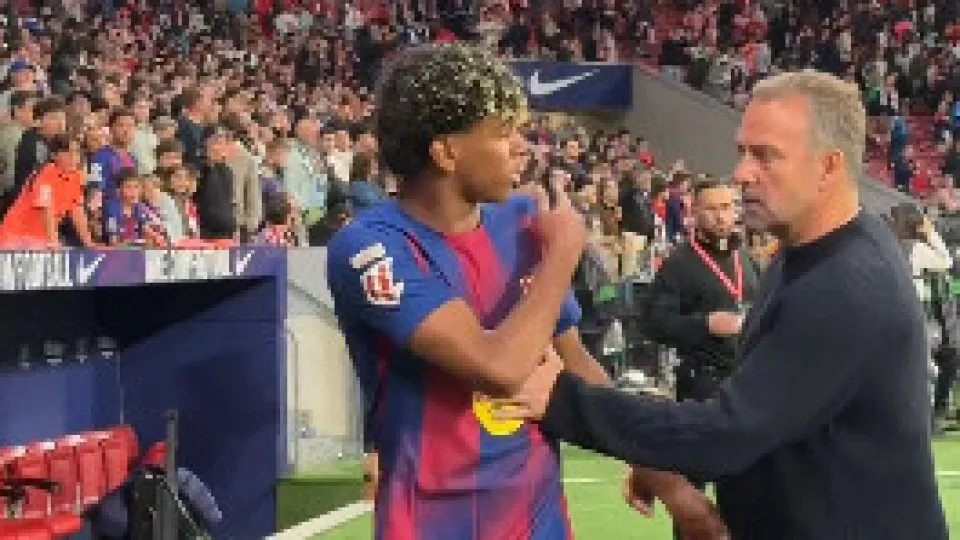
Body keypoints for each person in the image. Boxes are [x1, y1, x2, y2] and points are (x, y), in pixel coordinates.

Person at [496, 70, 949, 539]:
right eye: (742, 152)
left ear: (829, 167)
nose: (741, 174)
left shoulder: (844, 285)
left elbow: (729, 432)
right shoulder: (815, 249)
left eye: (766, 156)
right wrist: (665, 459)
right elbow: (773, 408)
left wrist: (561, 399)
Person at [326, 44, 721, 540]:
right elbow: (498, 368)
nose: (523, 147)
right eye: (502, 132)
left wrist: (672, 487)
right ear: (446, 152)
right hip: (432, 524)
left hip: (537, 521)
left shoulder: (520, 224)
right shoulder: (372, 249)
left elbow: (574, 362)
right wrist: (563, 253)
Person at [645, 177, 759, 539]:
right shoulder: (679, 264)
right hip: (701, 385)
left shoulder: (744, 258)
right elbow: (653, 322)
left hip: (746, 386)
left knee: (749, 488)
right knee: (692, 490)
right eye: (712, 209)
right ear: (693, 213)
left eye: (727, 207)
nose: (722, 216)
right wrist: (705, 324)